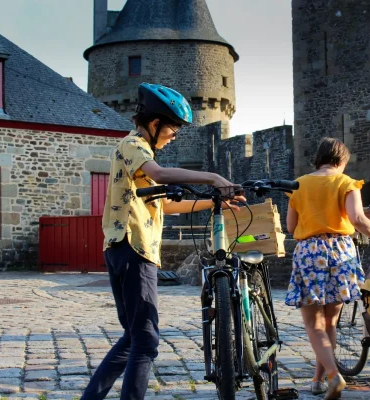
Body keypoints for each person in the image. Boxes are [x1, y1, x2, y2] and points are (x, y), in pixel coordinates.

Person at [82, 83, 242, 400]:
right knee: (146, 340)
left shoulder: (140, 157)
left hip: (125, 250)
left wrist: (212, 203)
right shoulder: (134, 147)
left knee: (134, 337)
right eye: (173, 128)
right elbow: (162, 173)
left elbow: (166, 206)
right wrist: (212, 177)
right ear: (155, 123)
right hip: (134, 249)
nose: (175, 135)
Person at [284, 137, 370, 399]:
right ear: (341, 160)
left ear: (317, 159)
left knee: (313, 323)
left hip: (310, 252)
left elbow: (290, 228)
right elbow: (357, 219)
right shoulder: (347, 182)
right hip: (342, 250)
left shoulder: (298, 185)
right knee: (330, 321)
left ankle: (333, 376)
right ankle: (318, 379)